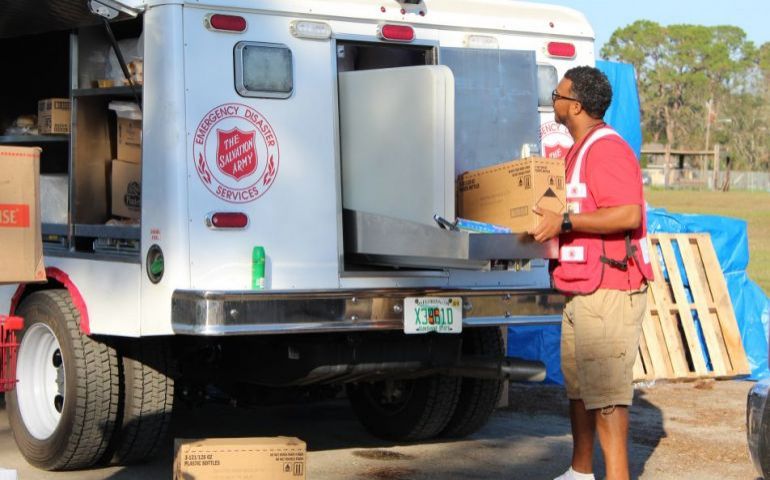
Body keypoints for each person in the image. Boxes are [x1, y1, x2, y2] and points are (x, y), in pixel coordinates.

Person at [529, 66, 654, 480]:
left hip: (610, 290)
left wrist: (565, 223)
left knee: (608, 399)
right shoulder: (576, 150)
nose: (554, 101)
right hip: (581, 288)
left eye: (558, 94)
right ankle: (580, 473)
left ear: (576, 105)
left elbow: (627, 213)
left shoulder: (607, 148)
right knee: (580, 391)